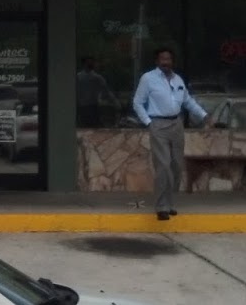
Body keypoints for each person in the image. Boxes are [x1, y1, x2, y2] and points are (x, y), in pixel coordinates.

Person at [132, 47, 211, 219]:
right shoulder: (148, 79)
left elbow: (188, 101)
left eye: (168, 59)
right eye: (162, 59)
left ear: (172, 61)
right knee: (163, 166)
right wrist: (149, 123)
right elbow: (137, 103)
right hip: (158, 125)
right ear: (157, 61)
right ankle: (161, 207)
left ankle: (169, 203)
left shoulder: (178, 79)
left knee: (176, 167)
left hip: (177, 124)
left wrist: (204, 115)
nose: (166, 62)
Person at [76, 57, 117, 127]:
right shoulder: (96, 77)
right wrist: (115, 102)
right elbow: (106, 91)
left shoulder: (79, 77)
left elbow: (106, 91)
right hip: (90, 106)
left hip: (86, 106)